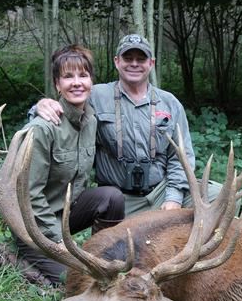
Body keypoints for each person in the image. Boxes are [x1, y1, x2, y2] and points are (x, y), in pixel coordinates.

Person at [31, 34, 220, 216]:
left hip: (161, 192)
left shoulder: (169, 103)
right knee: (120, 233)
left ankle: (190, 235)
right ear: (117, 61)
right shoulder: (95, 96)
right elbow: (66, 108)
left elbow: (181, 156)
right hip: (120, 198)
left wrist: (174, 197)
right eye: (128, 58)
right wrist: (40, 106)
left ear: (151, 63)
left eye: (141, 59)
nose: (134, 64)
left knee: (220, 195)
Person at [17, 44, 125, 285]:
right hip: (34, 226)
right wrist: (60, 242)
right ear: (57, 84)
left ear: (91, 82)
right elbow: (29, 196)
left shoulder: (90, 120)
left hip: (66, 214)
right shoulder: (43, 128)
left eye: (83, 75)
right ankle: (17, 257)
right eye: (68, 77)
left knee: (112, 198)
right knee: (76, 281)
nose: (77, 83)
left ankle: (101, 255)